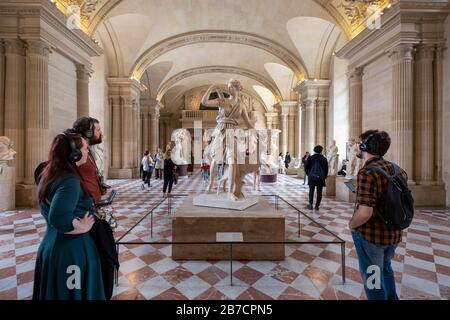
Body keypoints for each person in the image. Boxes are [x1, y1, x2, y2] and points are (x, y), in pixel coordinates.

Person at [33, 133, 104, 300]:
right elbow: (58, 217)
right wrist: (83, 226)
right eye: (86, 149)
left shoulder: (47, 174)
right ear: (75, 154)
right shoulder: (69, 180)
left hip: (50, 244)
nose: (88, 153)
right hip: (71, 251)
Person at [349, 130, 407, 300]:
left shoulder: (367, 172)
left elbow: (365, 213)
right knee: (386, 268)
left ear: (364, 146)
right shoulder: (397, 169)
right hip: (394, 234)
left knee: (372, 277)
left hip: (372, 236)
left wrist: (352, 224)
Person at [304, 145, 328, 211]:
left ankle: (310, 204)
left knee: (311, 191)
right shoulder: (324, 158)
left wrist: (309, 174)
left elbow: (306, 167)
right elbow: (326, 169)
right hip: (320, 178)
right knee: (319, 192)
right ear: (321, 151)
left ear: (314, 150)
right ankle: (317, 206)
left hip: (312, 177)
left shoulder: (310, 158)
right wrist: (324, 177)